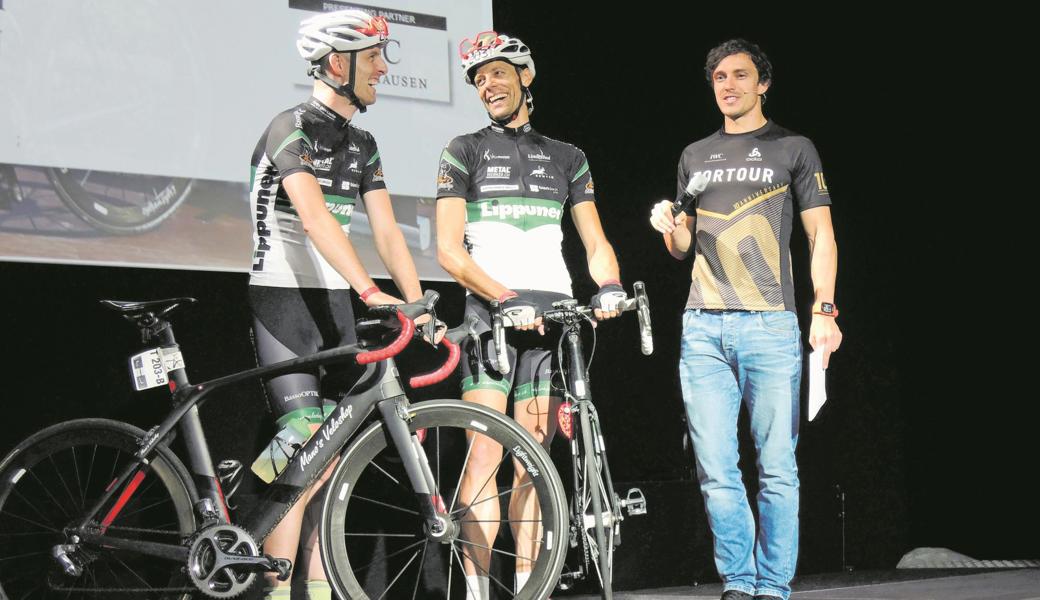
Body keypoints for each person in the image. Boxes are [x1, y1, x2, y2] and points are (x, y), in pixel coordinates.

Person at [649, 39, 842, 600]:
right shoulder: (695, 154)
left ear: (764, 84)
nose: (727, 85)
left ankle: (774, 586)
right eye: (718, 78)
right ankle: (739, 582)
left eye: (740, 75)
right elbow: (682, 247)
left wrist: (823, 307)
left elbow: (820, 235)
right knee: (716, 468)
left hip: (770, 324)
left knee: (777, 467)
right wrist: (669, 224)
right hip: (703, 327)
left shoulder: (793, 148)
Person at [436, 31, 627, 600]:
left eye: (496, 73)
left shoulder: (568, 157)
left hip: (551, 321)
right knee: (483, 455)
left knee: (532, 463)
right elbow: (449, 250)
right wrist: (502, 296)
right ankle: (475, 592)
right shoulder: (462, 149)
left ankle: (526, 590)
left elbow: (594, 242)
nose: (486, 86)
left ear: (525, 75)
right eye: (477, 79)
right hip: (490, 317)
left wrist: (611, 284)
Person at [247, 9, 426, 600]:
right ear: (335, 62)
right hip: (283, 299)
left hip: (336, 306)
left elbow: (389, 232)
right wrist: (373, 291)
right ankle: (272, 587)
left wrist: (417, 301)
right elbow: (316, 216)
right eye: (373, 57)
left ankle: (319, 591)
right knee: (303, 448)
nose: (382, 69)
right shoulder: (288, 126)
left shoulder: (364, 142)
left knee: (331, 463)